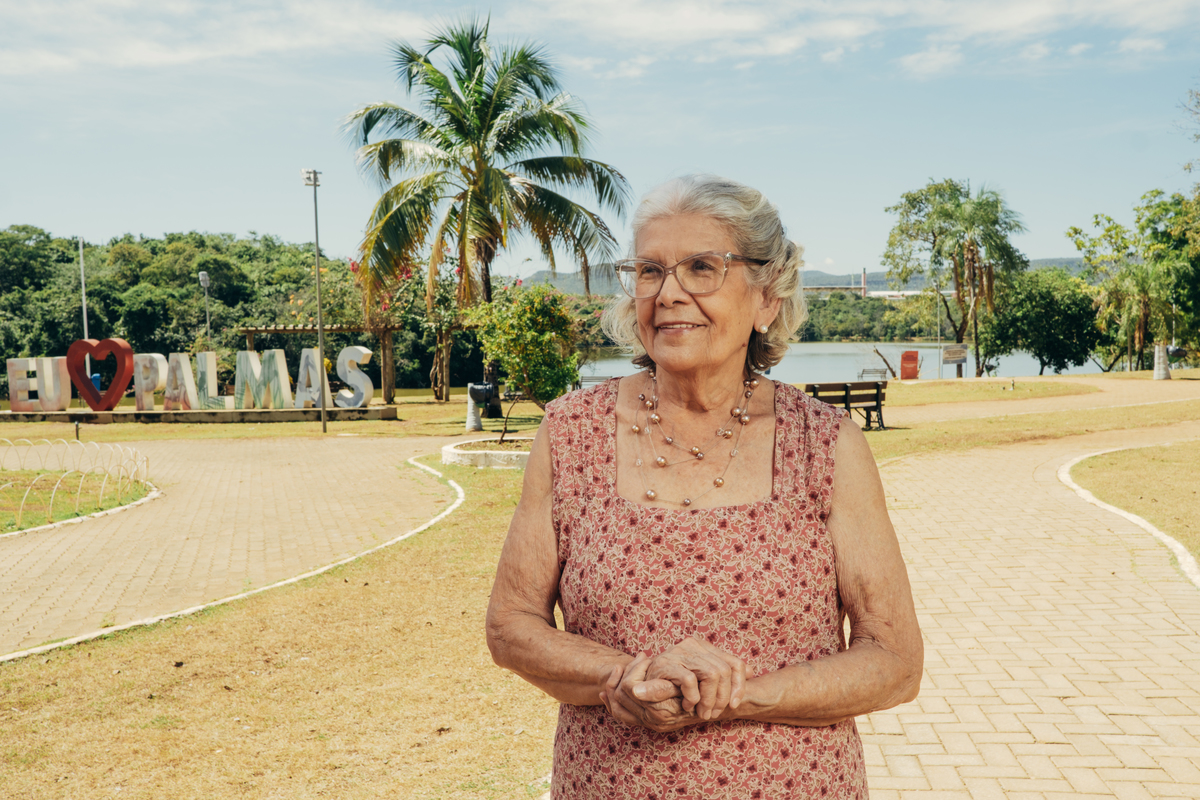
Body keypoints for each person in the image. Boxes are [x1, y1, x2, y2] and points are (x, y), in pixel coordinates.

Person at [486, 174, 923, 798]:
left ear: (767, 296)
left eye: (700, 268)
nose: (669, 294)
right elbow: (511, 624)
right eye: (649, 270)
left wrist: (735, 695)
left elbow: (895, 661)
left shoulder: (825, 446)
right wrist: (624, 677)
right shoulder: (570, 433)